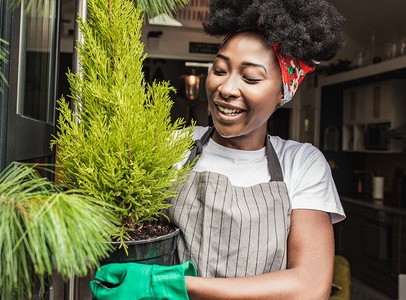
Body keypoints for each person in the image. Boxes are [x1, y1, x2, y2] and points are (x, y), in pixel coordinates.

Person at [91, 0, 346, 299]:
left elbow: (310, 287)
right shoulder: (173, 146)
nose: (226, 88)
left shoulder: (301, 164)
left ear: (282, 92)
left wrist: (171, 285)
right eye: (219, 69)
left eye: (250, 77)